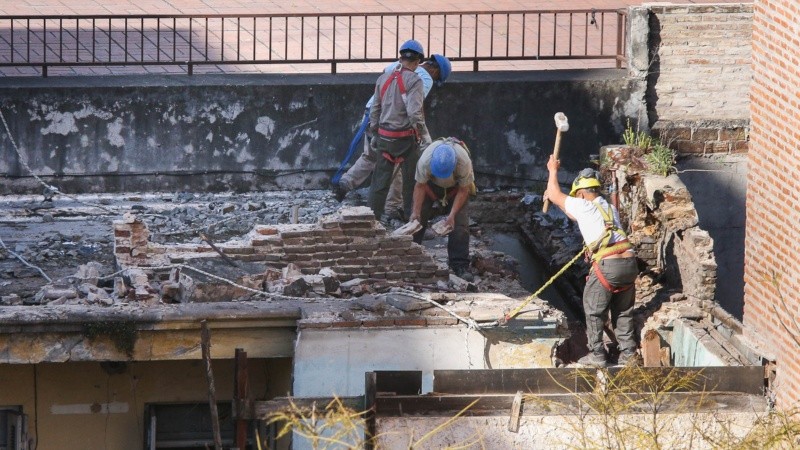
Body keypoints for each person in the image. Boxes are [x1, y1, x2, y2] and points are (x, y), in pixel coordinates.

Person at [544, 156, 640, 368]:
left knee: (593, 309)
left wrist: (553, 171)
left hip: (608, 265)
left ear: (581, 194)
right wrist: (557, 201)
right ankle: (628, 354)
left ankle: (597, 354)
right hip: (629, 264)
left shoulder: (583, 205)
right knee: (623, 311)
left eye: (576, 196)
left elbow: (555, 193)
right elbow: (574, 215)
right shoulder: (607, 208)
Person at [333, 53, 452, 222]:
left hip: (371, 113)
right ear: (435, 71)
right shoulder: (424, 79)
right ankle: (393, 207)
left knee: (370, 156)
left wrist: (375, 126)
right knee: (397, 162)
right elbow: (414, 110)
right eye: (437, 78)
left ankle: (344, 184)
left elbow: (383, 83)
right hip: (391, 125)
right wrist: (422, 135)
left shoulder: (397, 65)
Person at [367, 39, 431, 221]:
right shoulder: (415, 81)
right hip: (405, 140)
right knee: (412, 183)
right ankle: (413, 222)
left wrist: (374, 134)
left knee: (379, 183)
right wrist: (424, 135)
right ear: (417, 61)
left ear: (400, 58)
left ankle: (371, 221)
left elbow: (375, 110)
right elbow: (414, 113)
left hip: (384, 138)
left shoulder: (383, 79)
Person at [409, 137, 475, 280]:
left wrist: (451, 216)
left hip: (456, 188)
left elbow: (463, 190)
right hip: (430, 185)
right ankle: (410, 257)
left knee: (460, 224)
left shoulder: (463, 162)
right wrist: (416, 212)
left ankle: (459, 264)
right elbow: (420, 186)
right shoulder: (425, 160)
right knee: (416, 219)